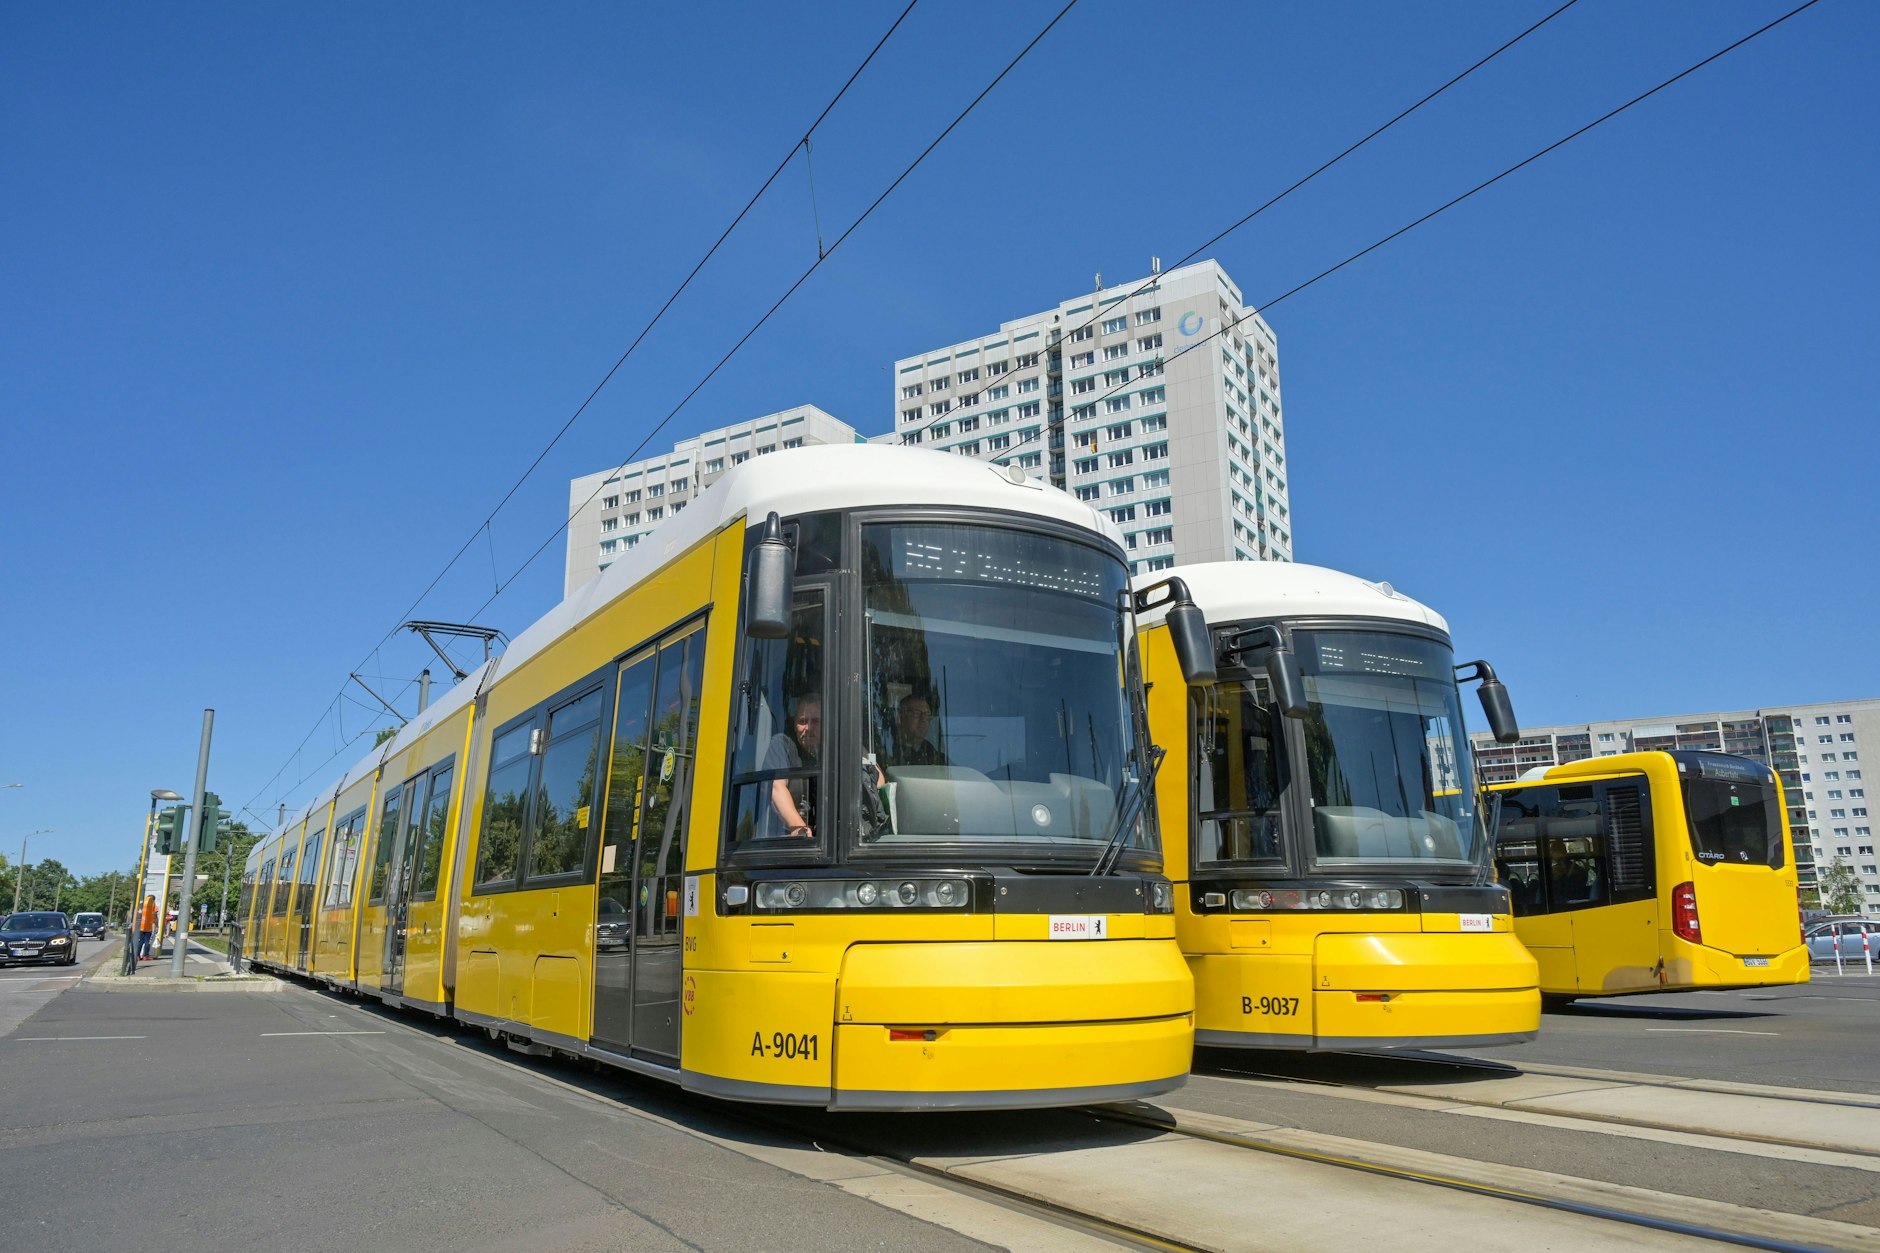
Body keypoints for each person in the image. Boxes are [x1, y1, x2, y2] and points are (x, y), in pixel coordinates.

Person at [765, 693, 821, 838]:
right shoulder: (783, 746)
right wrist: (800, 829)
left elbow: (875, 778)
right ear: (795, 725)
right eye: (803, 721)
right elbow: (776, 787)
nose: (808, 728)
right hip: (788, 841)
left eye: (815, 721)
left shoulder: (834, 751)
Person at [885, 694, 948, 767]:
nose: (923, 719)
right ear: (900, 718)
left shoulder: (933, 754)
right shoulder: (887, 751)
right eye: (916, 714)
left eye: (927, 714)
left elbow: (953, 774)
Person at [136, 895, 157, 961]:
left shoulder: (142, 903)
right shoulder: (154, 905)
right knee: (147, 941)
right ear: (153, 899)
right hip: (148, 926)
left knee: (141, 941)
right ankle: (146, 956)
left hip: (141, 926)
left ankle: (137, 956)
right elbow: (155, 916)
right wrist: (157, 925)